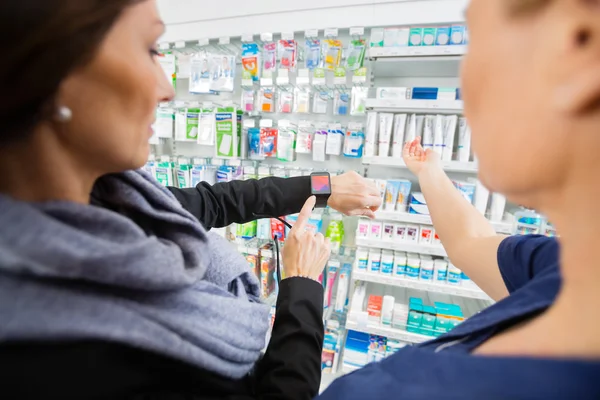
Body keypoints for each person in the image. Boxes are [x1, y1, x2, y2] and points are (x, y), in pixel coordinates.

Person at [0, 1, 382, 400]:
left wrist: (323, 187)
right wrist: (301, 288)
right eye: (150, 49)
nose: (166, 90)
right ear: (53, 71)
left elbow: (217, 201)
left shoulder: (117, 198)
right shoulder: (72, 361)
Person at [319, 0, 600, 398]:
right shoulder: (564, 267)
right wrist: (429, 172)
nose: (464, 81)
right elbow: (470, 244)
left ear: (576, 44)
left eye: (477, 39)